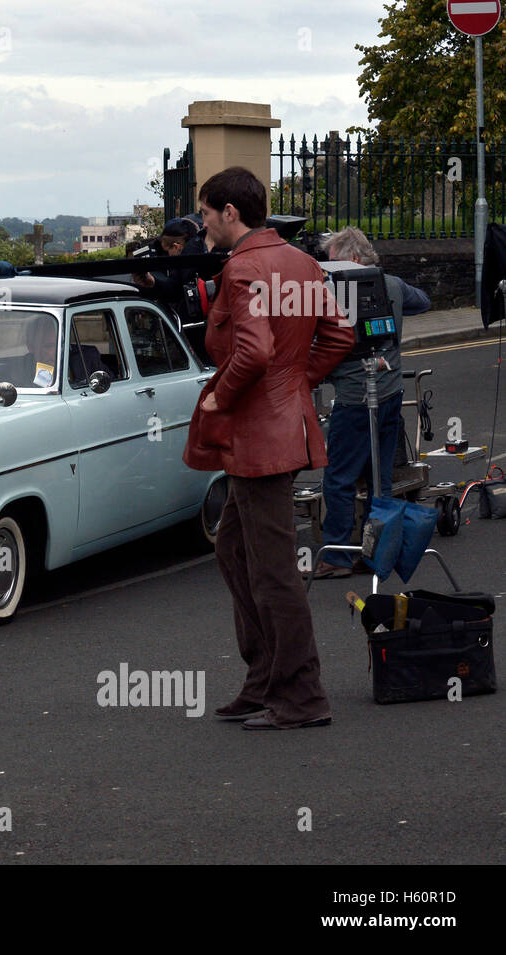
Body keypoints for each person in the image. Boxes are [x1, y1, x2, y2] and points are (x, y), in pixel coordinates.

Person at [182, 166, 353, 730]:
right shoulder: (303, 262)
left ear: (231, 212)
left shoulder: (244, 269)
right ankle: (263, 681)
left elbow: (251, 353)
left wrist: (220, 399)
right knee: (234, 549)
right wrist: (297, 383)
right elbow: (339, 334)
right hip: (283, 425)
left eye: (206, 213)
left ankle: (301, 696)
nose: (202, 224)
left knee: (272, 569)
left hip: (259, 434)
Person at [313, 227, 431, 578]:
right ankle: (374, 552)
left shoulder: (336, 291)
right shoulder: (391, 284)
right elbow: (422, 302)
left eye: (332, 262)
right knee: (379, 479)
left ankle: (335, 557)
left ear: (351, 259)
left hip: (353, 399)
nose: (327, 269)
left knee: (339, 478)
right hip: (390, 394)